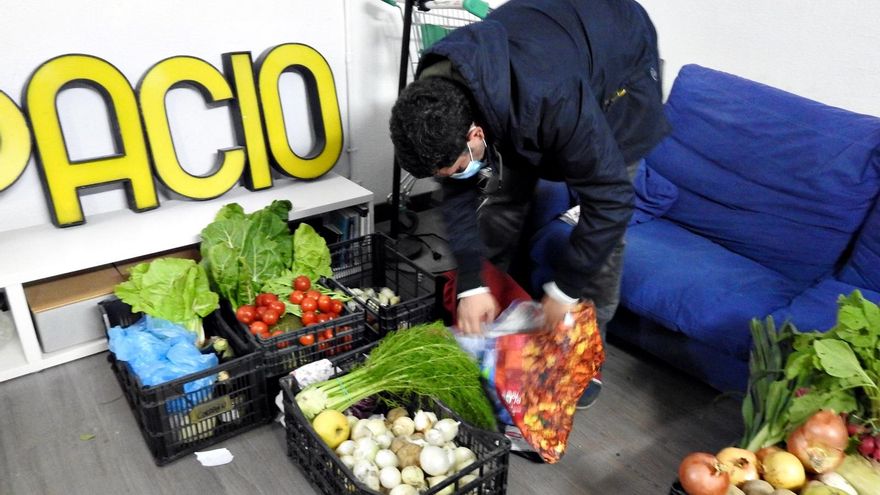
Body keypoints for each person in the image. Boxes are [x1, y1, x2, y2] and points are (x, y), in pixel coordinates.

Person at [389, 0, 670, 408]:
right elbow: (459, 189)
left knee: (604, 225)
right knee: (501, 196)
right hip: (545, 52)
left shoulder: (549, 98)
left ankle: (586, 355)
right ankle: (496, 318)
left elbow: (611, 202)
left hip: (618, 61)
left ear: (474, 133)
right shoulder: (436, 92)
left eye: (458, 163)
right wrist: (471, 282)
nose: (454, 176)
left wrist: (564, 289)